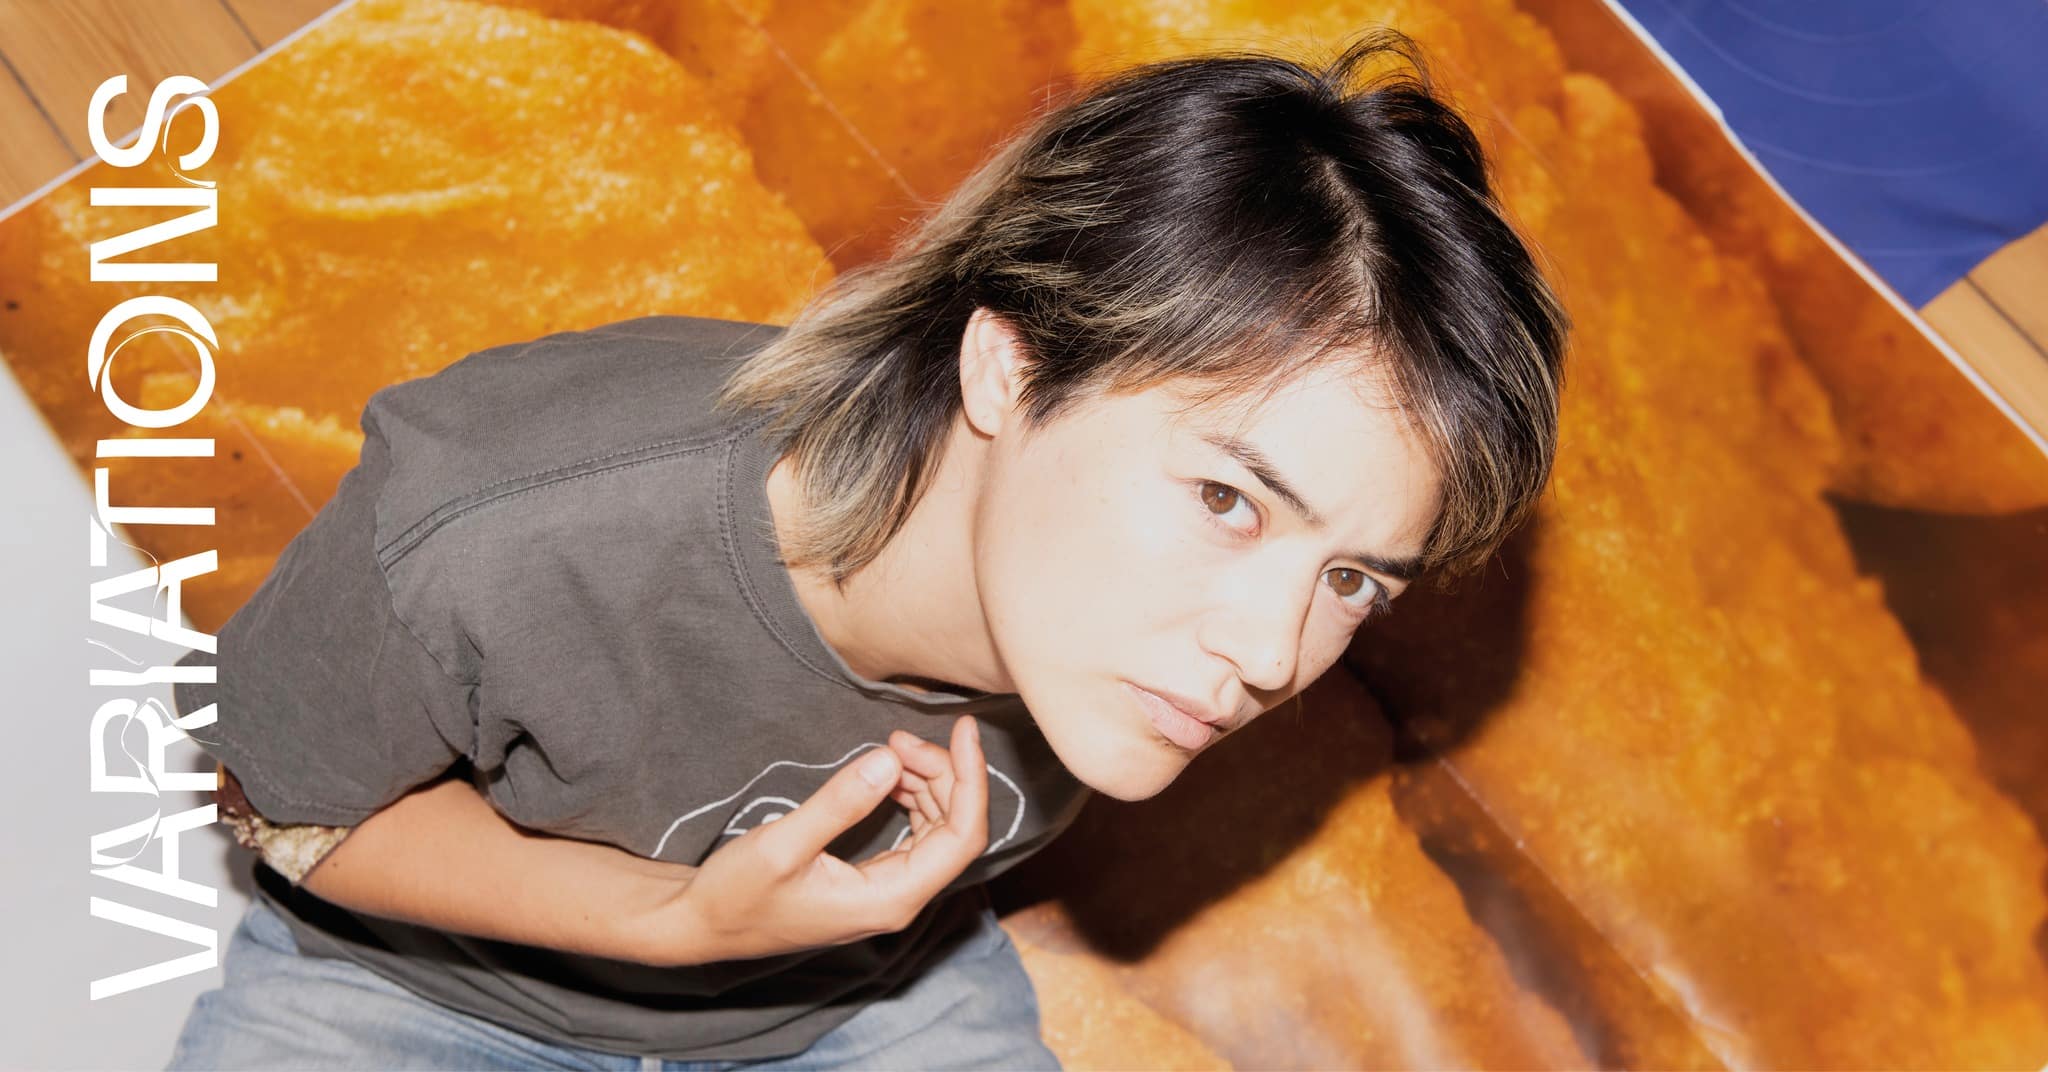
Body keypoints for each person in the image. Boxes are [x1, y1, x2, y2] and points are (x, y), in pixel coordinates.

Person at [165, 26, 1567, 1071]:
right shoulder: (502, 518)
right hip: (423, 988)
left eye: (1351, 580)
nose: (1271, 655)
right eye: (1227, 500)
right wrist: (674, 922)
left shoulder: (1102, 638)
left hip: (860, 997)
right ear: (1009, 369)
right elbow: (264, 796)